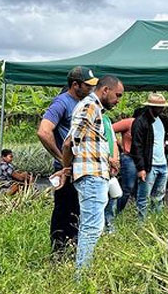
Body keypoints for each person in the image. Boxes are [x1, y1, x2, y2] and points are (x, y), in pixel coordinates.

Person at [61, 75, 124, 272]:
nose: (118, 100)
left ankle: (84, 270)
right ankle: (82, 276)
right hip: (91, 176)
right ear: (105, 90)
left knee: (92, 227)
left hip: (96, 173)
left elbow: (87, 144)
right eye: (117, 95)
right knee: (91, 228)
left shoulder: (95, 109)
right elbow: (69, 142)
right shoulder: (89, 107)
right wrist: (66, 169)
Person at [37, 66, 97, 255]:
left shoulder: (85, 103)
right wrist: (61, 159)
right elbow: (43, 131)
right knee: (63, 211)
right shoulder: (62, 103)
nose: (91, 89)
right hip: (67, 170)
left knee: (77, 211)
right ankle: (58, 251)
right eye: (87, 86)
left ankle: (73, 248)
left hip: (81, 168)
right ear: (75, 85)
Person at [130, 93, 168, 221]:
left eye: (162, 107)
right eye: (159, 107)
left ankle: (156, 223)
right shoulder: (140, 122)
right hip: (148, 166)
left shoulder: (162, 119)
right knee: (144, 198)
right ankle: (142, 226)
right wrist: (140, 168)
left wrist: (167, 141)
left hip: (162, 164)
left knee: (159, 197)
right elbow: (137, 146)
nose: (162, 109)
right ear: (152, 107)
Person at [111, 109, 141, 212]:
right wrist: (118, 144)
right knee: (128, 187)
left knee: (140, 187)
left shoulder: (147, 125)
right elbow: (109, 130)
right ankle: (117, 211)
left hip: (141, 158)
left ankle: (138, 212)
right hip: (129, 157)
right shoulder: (129, 122)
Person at [102, 112, 120, 233]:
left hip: (111, 166)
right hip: (100, 165)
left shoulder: (106, 119)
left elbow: (114, 142)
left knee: (112, 196)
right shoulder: (91, 119)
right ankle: (100, 229)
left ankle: (109, 226)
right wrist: (109, 159)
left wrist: (115, 160)